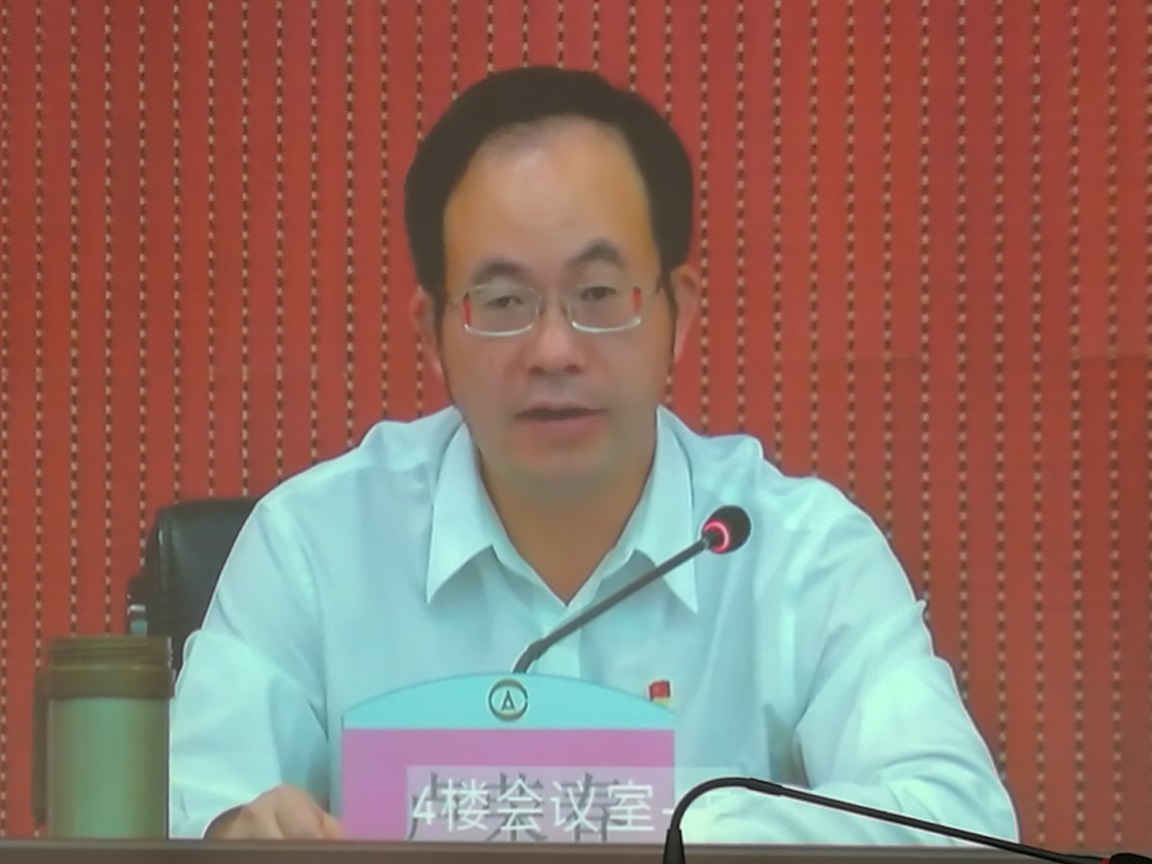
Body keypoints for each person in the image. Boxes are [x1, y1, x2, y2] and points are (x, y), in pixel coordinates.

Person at [168, 65, 1018, 844]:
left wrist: (666, 821)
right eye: (504, 301)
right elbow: (179, 809)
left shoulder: (796, 555)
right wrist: (234, 833)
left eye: (599, 294)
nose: (554, 350)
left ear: (678, 314)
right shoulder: (313, 547)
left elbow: (962, 823)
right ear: (432, 333)